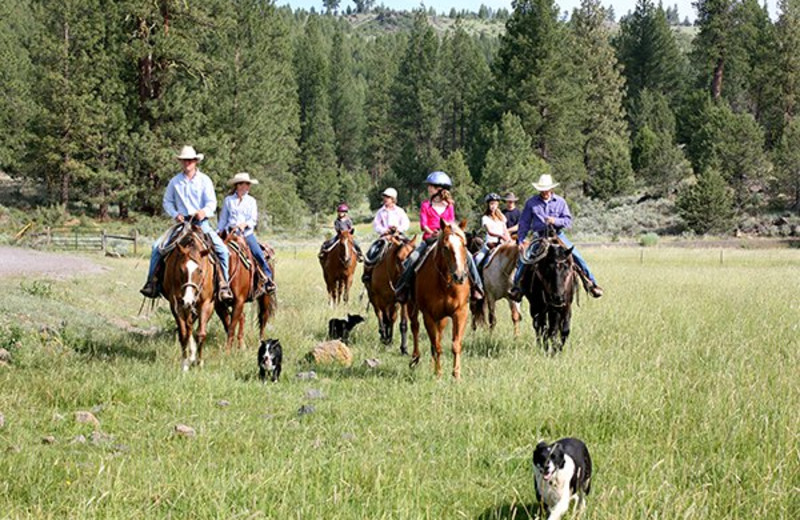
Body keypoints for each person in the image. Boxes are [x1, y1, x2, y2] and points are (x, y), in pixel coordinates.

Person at [140, 145, 233, 302]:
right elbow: (167, 201)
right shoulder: (175, 182)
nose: (187, 163)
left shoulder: (205, 180)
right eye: (184, 161)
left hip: (201, 223)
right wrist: (175, 214)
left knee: (223, 251)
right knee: (157, 247)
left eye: (190, 160)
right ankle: (152, 283)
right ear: (181, 162)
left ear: (195, 161)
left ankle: (224, 285)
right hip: (182, 225)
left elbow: (211, 202)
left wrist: (204, 211)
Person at [507, 174, 604, 302]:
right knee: (525, 259)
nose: (545, 192)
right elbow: (524, 223)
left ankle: (591, 283)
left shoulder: (560, 202)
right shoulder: (531, 203)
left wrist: (555, 220)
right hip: (540, 237)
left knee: (577, 256)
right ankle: (517, 287)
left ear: (551, 189)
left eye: (546, 189)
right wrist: (520, 240)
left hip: (558, 235)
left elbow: (568, 221)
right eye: (542, 189)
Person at [394, 171, 484, 303]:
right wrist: (433, 232)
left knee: (468, 256)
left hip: (446, 238)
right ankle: (403, 288)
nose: (428, 188)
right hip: (430, 238)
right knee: (412, 258)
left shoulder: (449, 206)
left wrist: (443, 233)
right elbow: (423, 225)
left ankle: (477, 287)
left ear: (438, 189)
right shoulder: (426, 205)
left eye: (431, 186)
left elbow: (451, 224)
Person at [217, 172, 276, 294]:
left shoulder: (251, 201)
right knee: (215, 252)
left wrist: (245, 224)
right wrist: (219, 231)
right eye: (244, 184)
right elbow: (223, 218)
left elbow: (253, 219)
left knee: (258, 253)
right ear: (238, 185)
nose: (247, 187)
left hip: (246, 234)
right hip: (230, 233)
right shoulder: (229, 200)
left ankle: (267, 278)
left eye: (248, 185)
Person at [361, 187, 411, 284]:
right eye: (384, 197)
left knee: (410, 249)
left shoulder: (400, 211)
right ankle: (367, 273)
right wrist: (384, 231)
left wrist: (398, 229)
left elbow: (406, 223)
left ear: (393, 199)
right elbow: (376, 224)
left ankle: (410, 273)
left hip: (398, 236)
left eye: (387, 197)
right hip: (385, 237)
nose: (385, 199)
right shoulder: (381, 211)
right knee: (372, 251)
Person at [473, 193, 512, 270]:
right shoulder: (485, 218)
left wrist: (509, 240)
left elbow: (505, 230)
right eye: (491, 204)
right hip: (490, 244)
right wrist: (500, 236)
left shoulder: (502, 217)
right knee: (478, 259)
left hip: (502, 243)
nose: (493, 206)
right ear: (488, 205)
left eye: (495, 204)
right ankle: (476, 279)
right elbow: (490, 231)